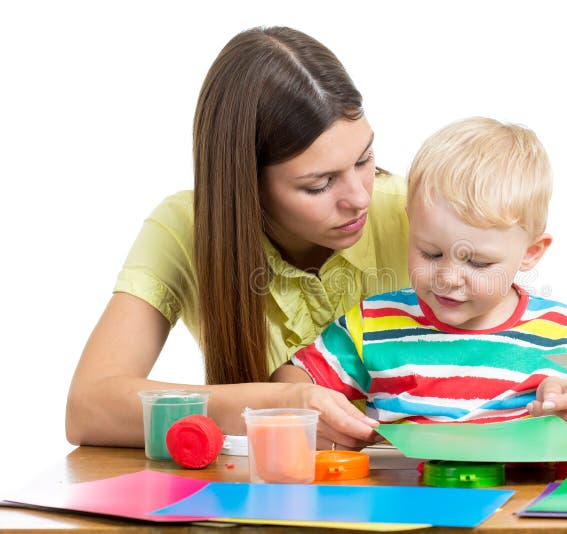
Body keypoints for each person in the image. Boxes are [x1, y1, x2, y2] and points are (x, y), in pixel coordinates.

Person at [65, 26, 410, 451]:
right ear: (246, 185)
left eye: (364, 159)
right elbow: (89, 408)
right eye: (319, 184)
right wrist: (278, 404)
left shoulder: (420, 214)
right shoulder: (186, 228)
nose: (359, 198)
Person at [272, 117, 567, 426]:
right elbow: (291, 379)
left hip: (522, 482)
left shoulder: (562, 329)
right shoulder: (374, 323)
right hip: (405, 482)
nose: (448, 278)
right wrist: (302, 399)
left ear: (531, 252)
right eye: (431, 253)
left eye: (478, 263)